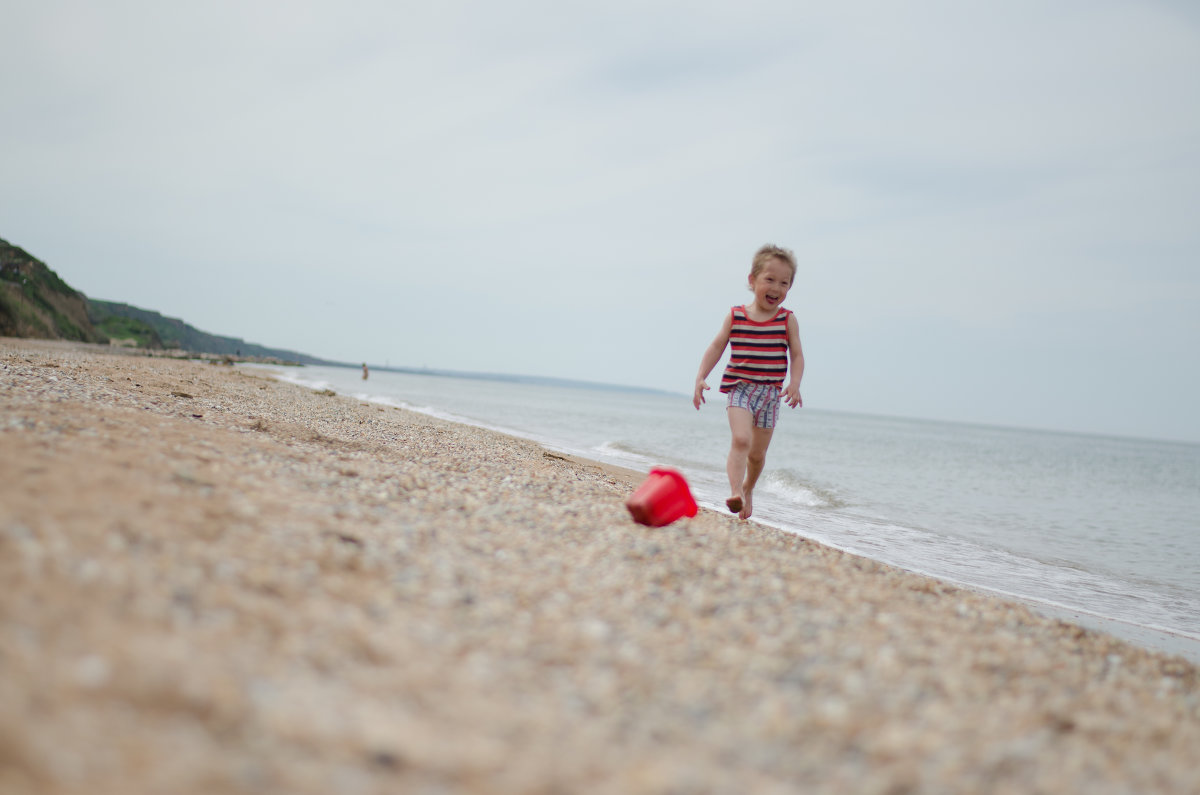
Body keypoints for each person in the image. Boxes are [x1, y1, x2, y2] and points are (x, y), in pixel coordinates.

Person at [693, 244, 804, 520]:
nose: (776, 287)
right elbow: (717, 346)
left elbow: (798, 354)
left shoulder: (787, 320)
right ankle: (735, 493)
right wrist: (701, 377)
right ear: (752, 280)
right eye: (770, 279)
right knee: (741, 439)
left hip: (770, 395)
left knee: (756, 455)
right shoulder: (736, 316)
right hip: (740, 388)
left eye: (784, 282)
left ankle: (748, 488)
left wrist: (795, 382)